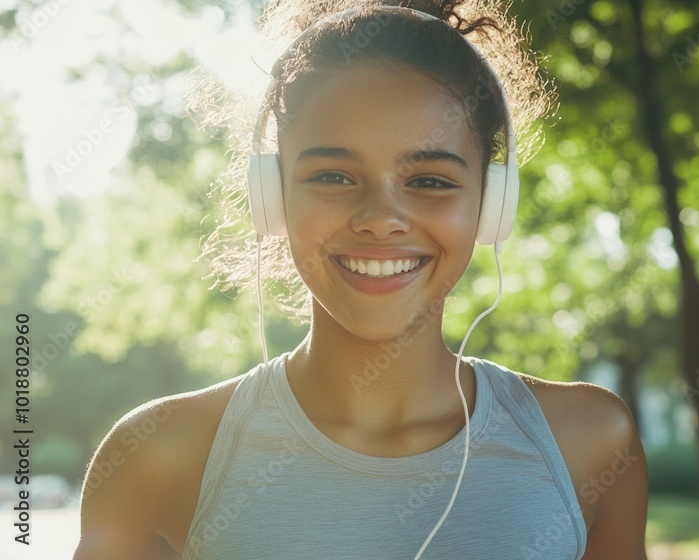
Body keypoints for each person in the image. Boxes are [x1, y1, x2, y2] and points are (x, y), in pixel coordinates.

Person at [73, 0, 648, 558]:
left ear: (492, 205)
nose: (380, 220)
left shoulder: (590, 444)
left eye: (430, 180)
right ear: (271, 197)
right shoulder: (157, 454)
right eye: (332, 175)